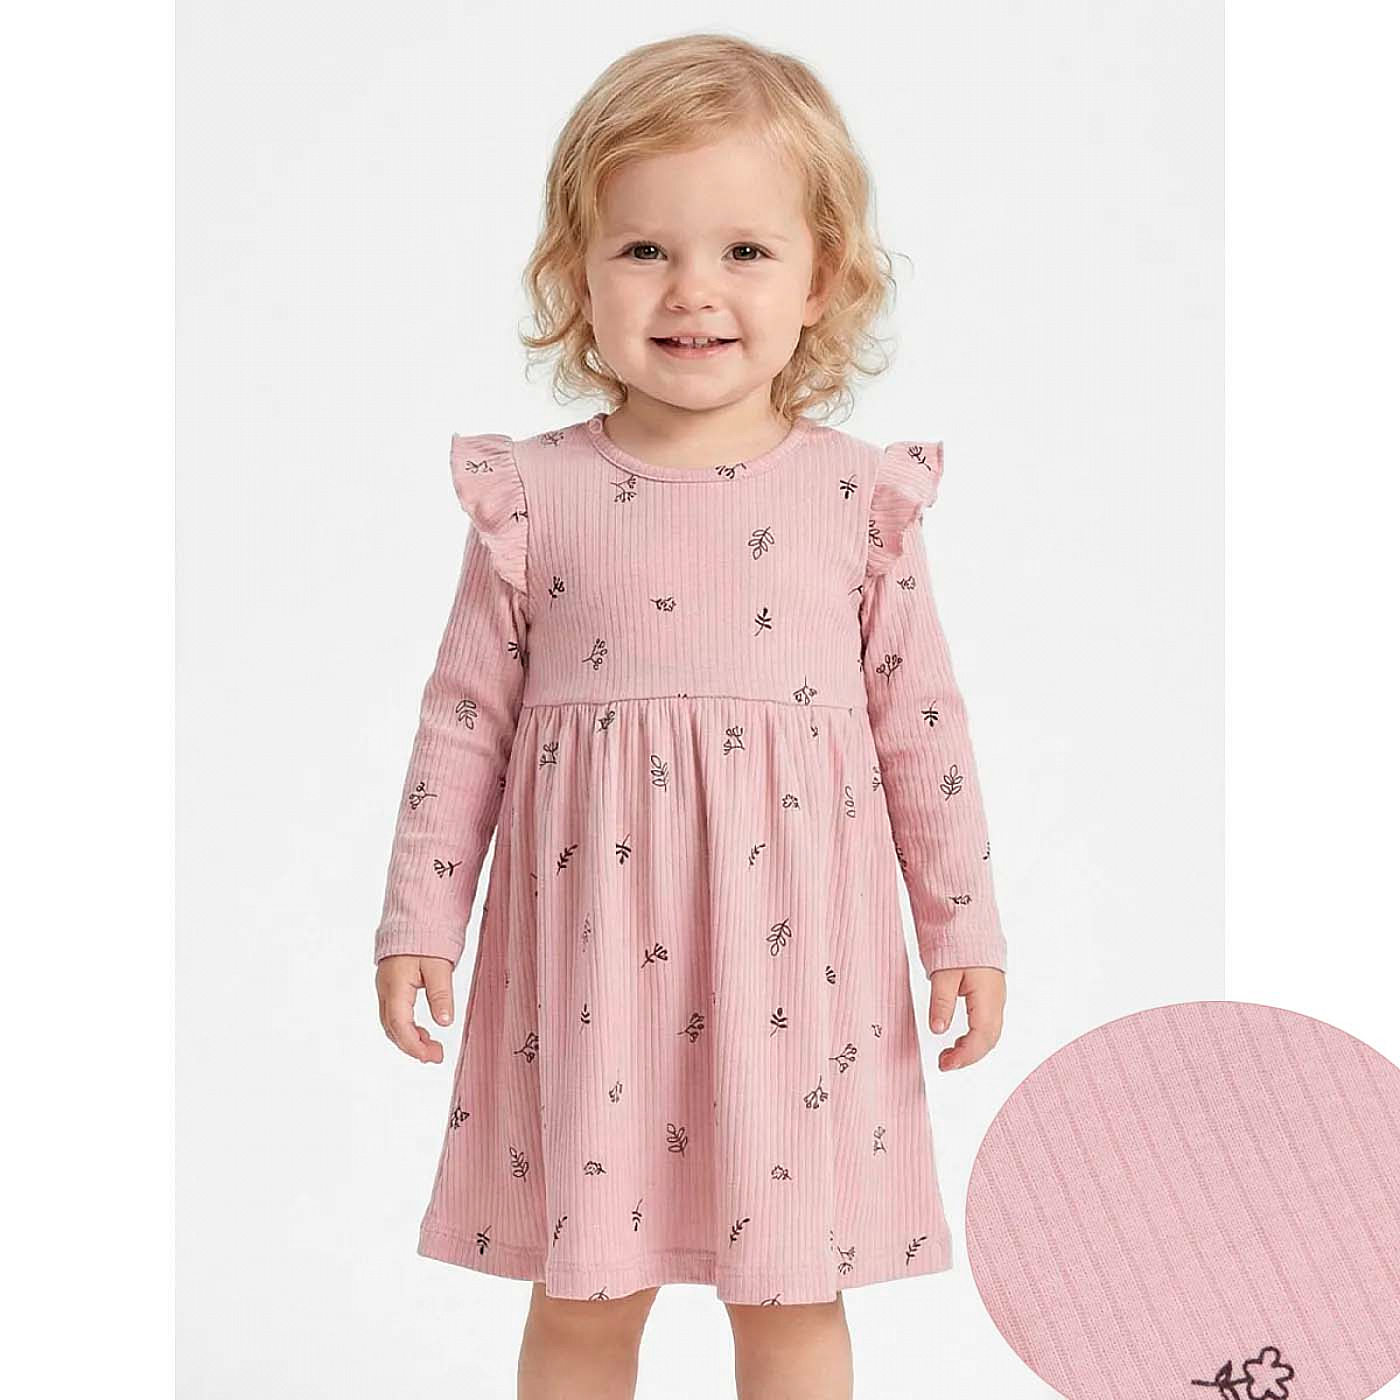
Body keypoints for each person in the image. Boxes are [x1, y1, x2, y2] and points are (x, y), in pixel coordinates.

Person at [372, 31, 1008, 1400]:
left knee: (791, 1299)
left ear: (822, 277)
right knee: (585, 1296)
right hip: (591, 969)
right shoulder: (534, 498)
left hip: (797, 977)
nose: (692, 291)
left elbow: (924, 732)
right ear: (576, 274)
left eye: (745, 251)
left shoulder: (858, 499)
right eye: (645, 249)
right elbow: (464, 724)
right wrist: (421, 917)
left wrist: (962, 928)